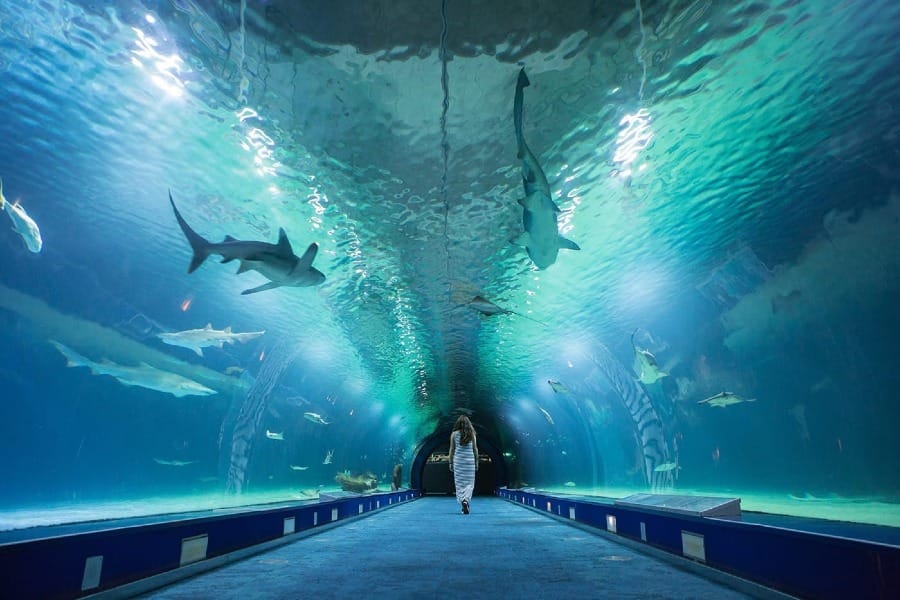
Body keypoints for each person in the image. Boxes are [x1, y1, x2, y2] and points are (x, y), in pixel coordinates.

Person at [448, 415, 478, 514]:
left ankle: (463, 503)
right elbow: (475, 449)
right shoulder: (472, 434)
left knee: (460, 484)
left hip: (459, 462)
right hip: (469, 462)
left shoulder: (454, 434)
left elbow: (452, 449)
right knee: (470, 484)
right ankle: (466, 501)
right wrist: (476, 462)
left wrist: (450, 462)